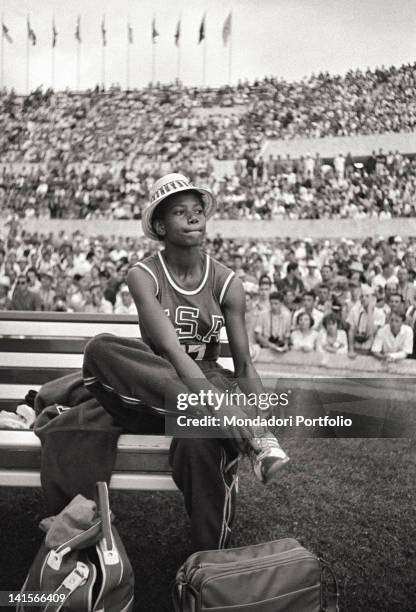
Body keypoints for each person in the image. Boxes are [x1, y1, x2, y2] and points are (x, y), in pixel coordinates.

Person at [82, 173, 289, 552]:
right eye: (180, 211)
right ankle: (232, 424)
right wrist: (221, 408)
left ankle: (209, 560)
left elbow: (243, 364)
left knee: (199, 442)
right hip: (155, 385)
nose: (194, 218)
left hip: (207, 385)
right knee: (100, 349)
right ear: (160, 226)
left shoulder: (228, 282)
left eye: (198, 211)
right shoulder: (142, 275)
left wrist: (259, 418)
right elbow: (172, 352)